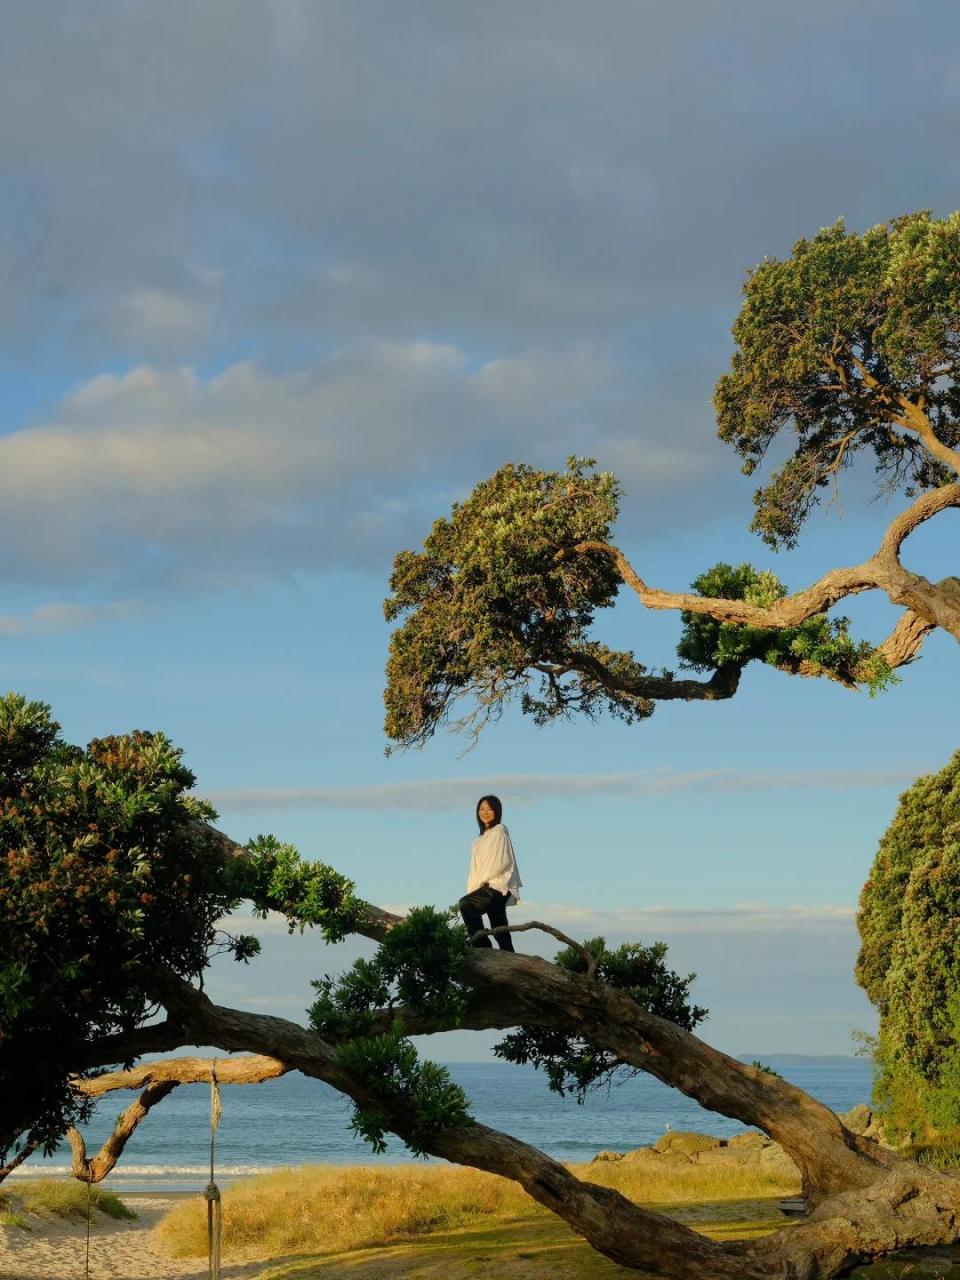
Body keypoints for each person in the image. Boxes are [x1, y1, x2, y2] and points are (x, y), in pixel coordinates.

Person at [458, 794, 522, 951]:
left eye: (489, 808)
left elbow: (501, 861)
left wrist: (481, 883)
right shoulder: (478, 840)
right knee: (500, 929)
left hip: (498, 885)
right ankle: (510, 959)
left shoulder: (499, 831)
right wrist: (473, 889)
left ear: (497, 811)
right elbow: (475, 868)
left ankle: (482, 948)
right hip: (487, 885)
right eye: (481, 809)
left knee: (466, 904)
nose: (485, 812)